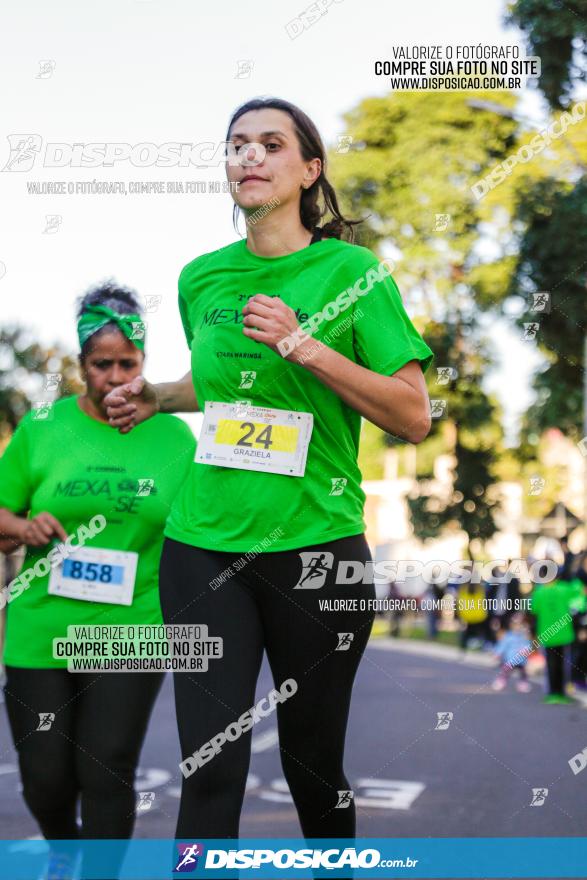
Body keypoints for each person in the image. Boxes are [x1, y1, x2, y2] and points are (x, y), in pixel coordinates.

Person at [104, 97, 434, 843]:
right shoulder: (201, 279)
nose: (249, 156)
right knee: (209, 767)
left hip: (316, 548)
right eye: (237, 145)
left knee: (312, 767)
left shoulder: (353, 273)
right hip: (202, 546)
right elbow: (224, 386)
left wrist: (304, 344)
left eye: (270, 144)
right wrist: (156, 396)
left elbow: (412, 415)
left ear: (308, 170)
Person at [0, 282, 196, 874]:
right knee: (45, 778)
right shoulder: (43, 427)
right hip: (41, 624)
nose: (114, 377)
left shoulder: (176, 437)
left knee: (107, 766)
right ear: (81, 363)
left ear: (145, 362)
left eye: (127, 364)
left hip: (132, 623)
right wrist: (24, 526)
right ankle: (65, 849)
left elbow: (198, 535)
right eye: (100, 364)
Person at [528, 567, 584, 704]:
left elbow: (533, 614)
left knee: (551, 664)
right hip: (564, 633)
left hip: (547, 634)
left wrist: (533, 635)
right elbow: (580, 601)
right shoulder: (566, 589)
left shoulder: (538, 593)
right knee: (564, 665)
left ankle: (553, 694)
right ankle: (562, 693)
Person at [490, 613, 532, 692]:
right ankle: (501, 681)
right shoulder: (508, 636)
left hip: (521, 660)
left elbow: (528, 645)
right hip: (510, 659)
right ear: (511, 626)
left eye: (520, 625)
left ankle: (523, 683)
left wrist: (527, 650)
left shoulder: (524, 637)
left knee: (523, 672)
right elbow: (502, 645)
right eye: (515, 625)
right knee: (506, 671)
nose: (517, 627)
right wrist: (497, 653)